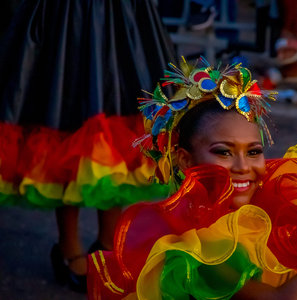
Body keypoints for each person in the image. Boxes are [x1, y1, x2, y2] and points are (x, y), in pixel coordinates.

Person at [87, 57, 297, 299]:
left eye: (254, 151)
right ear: (185, 159)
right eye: (223, 152)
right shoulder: (195, 243)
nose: (242, 166)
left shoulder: (275, 203)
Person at [0, 0, 174, 293]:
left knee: (120, 115)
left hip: (121, 15)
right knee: (64, 114)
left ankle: (107, 242)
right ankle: (69, 247)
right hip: (66, 15)